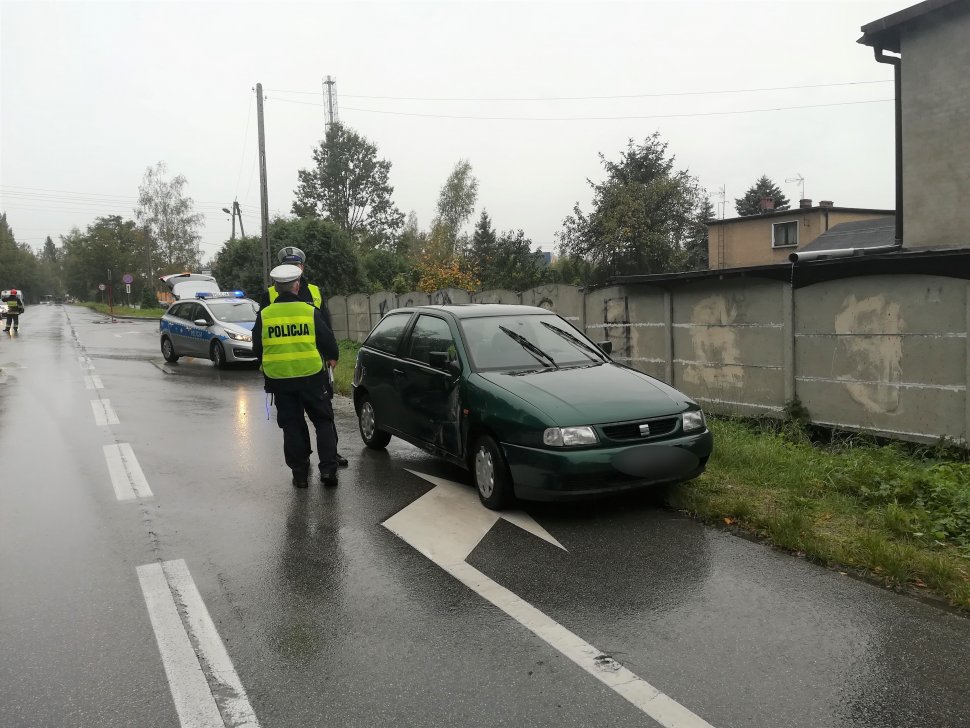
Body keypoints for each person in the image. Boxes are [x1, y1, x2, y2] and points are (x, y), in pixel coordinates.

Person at [259, 246, 349, 468]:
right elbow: (261, 331)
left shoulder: (315, 292)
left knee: (324, 414)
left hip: (315, 365)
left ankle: (330, 456)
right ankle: (304, 459)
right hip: (285, 369)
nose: (295, 270)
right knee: (295, 420)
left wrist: (331, 356)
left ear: (302, 267)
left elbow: (326, 325)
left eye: (297, 266)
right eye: (290, 266)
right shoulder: (269, 295)